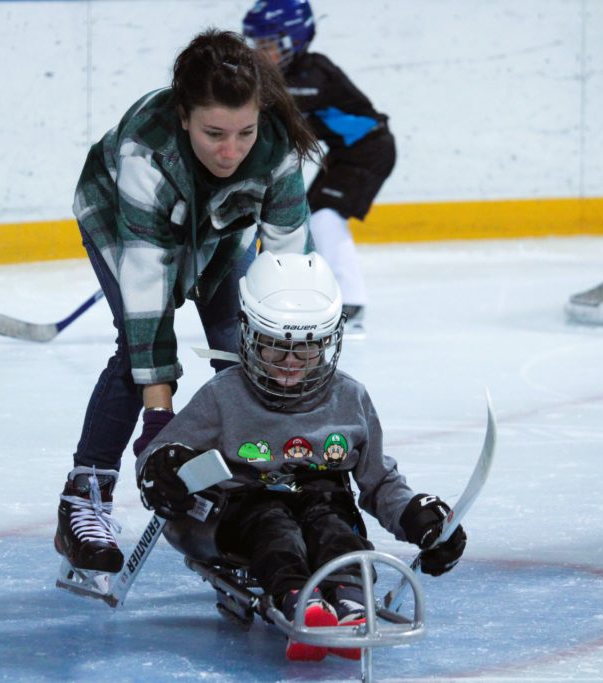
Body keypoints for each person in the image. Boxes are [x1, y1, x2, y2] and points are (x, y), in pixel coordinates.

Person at [54, 29, 323, 576]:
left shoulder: (274, 148)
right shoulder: (144, 153)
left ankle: (261, 492)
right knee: (137, 358)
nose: (231, 150)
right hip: (122, 218)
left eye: (244, 132)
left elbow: (295, 270)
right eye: (213, 133)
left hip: (221, 232)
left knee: (248, 346)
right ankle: (85, 496)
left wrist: (297, 375)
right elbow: (148, 298)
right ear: (183, 116)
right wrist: (160, 418)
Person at [135, 252, 466, 661]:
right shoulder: (225, 395)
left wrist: (418, 515)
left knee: (336, 526)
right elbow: (160, 452)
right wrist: (163, 467)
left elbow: (379, 481)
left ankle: (349, 598)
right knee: (275, 527)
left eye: (306, 349)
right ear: (250, 335)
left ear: (329, 341)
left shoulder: (350, 398)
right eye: (275, 348)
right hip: (246, 503)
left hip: (320, 496)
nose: (290, 364)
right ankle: (298, 600)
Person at [243, 0, 396, 330]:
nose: (260, 53)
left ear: (296, 41)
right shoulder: (292, 75)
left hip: (370, 150)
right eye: (256, 44)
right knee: (312, 215)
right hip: (345, 153)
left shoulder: (311, 76)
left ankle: (352, 302)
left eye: (269, 45)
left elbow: (272, 113)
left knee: (325, 216)